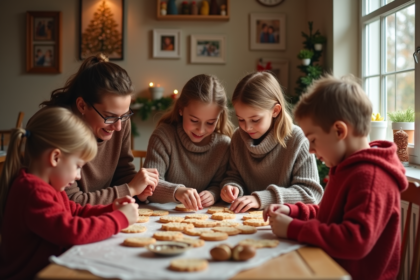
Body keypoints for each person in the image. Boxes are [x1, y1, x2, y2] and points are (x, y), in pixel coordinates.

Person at [264, 74, 408, 280]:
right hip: (329, 268)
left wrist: (294, 229)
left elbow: (355, 240)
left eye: (313, 140)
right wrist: (293, 211)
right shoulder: (346, 166)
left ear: (339, 131)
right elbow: (329, 216)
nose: (311, 150)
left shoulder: (371, 177)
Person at [0, 107, 139, 280]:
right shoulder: (33, 192)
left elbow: (75, 212)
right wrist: (120, 218)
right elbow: (71, 232)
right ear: (55, 157)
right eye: (78, 166)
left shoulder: (48, 187)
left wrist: (111, 208)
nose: (78, 175)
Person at [39, 53, 159, 206]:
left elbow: (122, 172)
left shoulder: (120, 121)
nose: (118, 127)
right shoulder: (57, 127)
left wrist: (138, 190)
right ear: (82, 105)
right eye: (110, 116)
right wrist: (130, 189)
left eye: (124, 116)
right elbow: (72, 203)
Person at [220, 71, 323, 213]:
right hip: (243, 220)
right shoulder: (238, 137)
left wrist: (261, 199)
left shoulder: (298, 139)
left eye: (255, 120)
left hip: (284, 221)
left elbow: (311, 194)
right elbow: (234, 176)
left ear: (275, 111)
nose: (247, 127)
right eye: (241, 119)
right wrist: (232, 187)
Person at [142, 74, 234, 210]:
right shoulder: (163, 136)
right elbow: (148, 187)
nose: (201, 130)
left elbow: (219, 183)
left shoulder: (223, 145)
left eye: (210, 122)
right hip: (166, 213)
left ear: (219, 117)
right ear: (181, 109)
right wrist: (177, 192)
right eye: (194, 120)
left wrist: (213, 194)